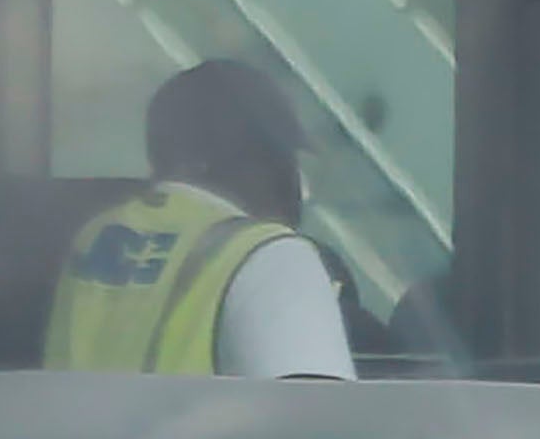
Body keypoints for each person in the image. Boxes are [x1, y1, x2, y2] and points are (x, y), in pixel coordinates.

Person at [46, 57, 356, 376]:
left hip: (75, 428)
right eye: (277, 157)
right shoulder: (272, 257)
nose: (291, 179)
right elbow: (316, 418)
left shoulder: (96, 237)